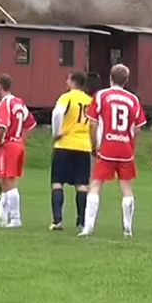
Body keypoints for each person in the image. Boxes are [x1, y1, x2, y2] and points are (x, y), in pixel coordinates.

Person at [80, 64, 147, 238]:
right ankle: (127, 228)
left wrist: (94, 145)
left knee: (95, 185)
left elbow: (93, 123)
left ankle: (88, 227)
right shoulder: (133, 99)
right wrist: (131, 144)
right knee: (126, 187)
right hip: (125, 148)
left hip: (107, 147)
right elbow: (138, 128)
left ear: (110, 77)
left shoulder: (101, 96)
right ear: (126, 80)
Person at [0, 74, 36, 229]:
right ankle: (2, 217)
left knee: (9, 182)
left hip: (8, 145)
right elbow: (30, 123)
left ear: (0, 86)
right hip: (17, 144)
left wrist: (0, 140)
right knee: (4, 181)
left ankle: (16, 218)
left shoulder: (5, 103)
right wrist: (20, 137)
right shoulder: (19, 102)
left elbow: (3, 125)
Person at [49, 72, 93, 231]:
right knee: (82, 185)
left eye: (68, 79)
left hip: (65, 144)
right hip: (83, 145)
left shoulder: (66, 97)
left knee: (57, 183)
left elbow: (57, 114)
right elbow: (96, 123)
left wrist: (56, 132)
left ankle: (57, 220)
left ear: (73, 81)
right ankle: (81, 222)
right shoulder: (90, 101)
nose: (66, 82)